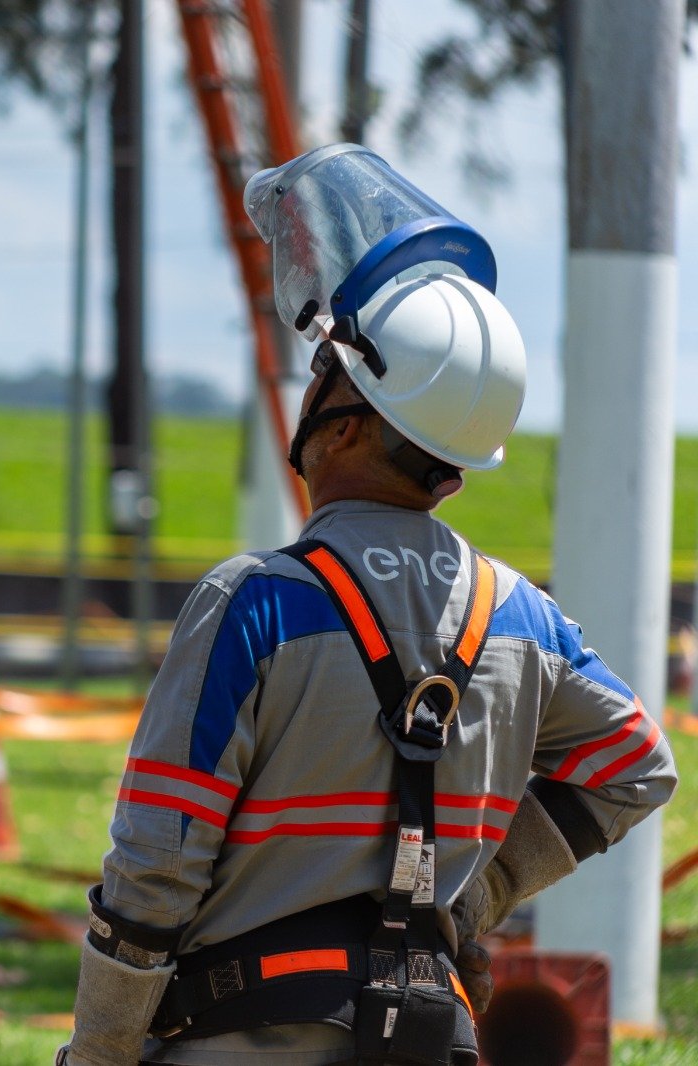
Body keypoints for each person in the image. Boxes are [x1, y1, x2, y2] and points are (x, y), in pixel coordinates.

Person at [60, 266, 677, 1065]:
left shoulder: (254, 601)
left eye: (323, 373)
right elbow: (636, 765)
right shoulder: (525, 618)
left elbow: (157, 862)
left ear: (348, 424)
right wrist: (477, 897)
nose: (309, 388)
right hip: (427, 1036)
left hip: (245, 1033)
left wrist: (100, 1051)